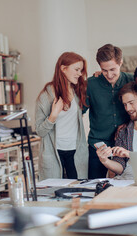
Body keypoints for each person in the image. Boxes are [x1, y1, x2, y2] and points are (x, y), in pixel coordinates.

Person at [35, 52, 88, 180]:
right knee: (53, 192)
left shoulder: (78, 90)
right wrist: (53, 115)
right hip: (54, 152)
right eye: (76, 70)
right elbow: (40, 132)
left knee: (78, 191)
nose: (79, 74)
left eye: (81, 70)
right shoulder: (46, 96)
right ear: (63, 69)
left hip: (76, 152)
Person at [84, 44, 134, 179]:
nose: (109, 75)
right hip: (98, 145)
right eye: (104, 70)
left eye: (113, 69)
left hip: (125, 144)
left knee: (126, 185)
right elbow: (79, 111)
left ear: (120, 62)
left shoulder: (132, 81)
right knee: (94, 185)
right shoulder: (90, 84)